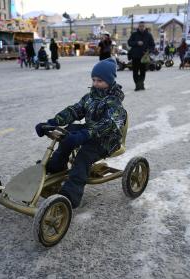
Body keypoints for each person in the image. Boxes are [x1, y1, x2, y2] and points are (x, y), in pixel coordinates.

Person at [34, 58, 126, 209]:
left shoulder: (114, 103)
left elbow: (108, 125)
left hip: (106, 140)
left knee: (83, 157)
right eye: (94, 79)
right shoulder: (90, 97)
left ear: (110, 81)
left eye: (100, 81)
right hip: (90, 133)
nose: (96, 83)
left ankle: (71, 195)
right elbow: (75, 110)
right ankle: (57, 165)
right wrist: (53, 122)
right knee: (68, 132)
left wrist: (84, 135)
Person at [127, 21, 155, 91]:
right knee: (135, 72)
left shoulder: (149, 35)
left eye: (143, 26)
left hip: (144, 57)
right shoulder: (134, 34)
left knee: (143, 71)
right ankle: (137, 85)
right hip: (135, 56)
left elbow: (152, 45)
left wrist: (149, 51)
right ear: (138, 27)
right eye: (140, 26)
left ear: (145, 27)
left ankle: (141, 84)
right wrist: (137, 43)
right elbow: (129, 43)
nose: (141, 27)